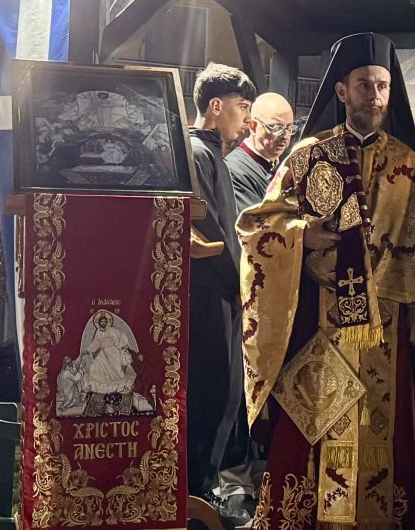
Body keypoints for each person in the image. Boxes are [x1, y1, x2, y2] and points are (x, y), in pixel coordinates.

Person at [237, 33, 415, 530]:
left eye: (382, 86)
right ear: (341, 91)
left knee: (381, 421)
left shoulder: (406, 162)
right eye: (364, 85)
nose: (374, 96)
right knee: (315, 417)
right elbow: (256, 226)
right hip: (320, 316)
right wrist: (302, 235)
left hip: (387, 320)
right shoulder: (308, 155)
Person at [187, 63, 256, 525]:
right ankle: (197, 494)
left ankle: (203, 490)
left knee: (226, 394)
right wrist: (237, 285)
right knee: (212, 391)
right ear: (216, 106)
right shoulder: (197, 152)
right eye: (242, 107)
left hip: (223, 291)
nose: (247, 120)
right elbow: (206, 227)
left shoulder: (212, 153)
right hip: (210, 292)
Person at [226, 92, 297, 212]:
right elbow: (253, 219)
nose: (285, 136)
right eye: (276, 128)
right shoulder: (234, 170)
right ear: (253, 126)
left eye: (289, 128)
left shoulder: (282, 165)